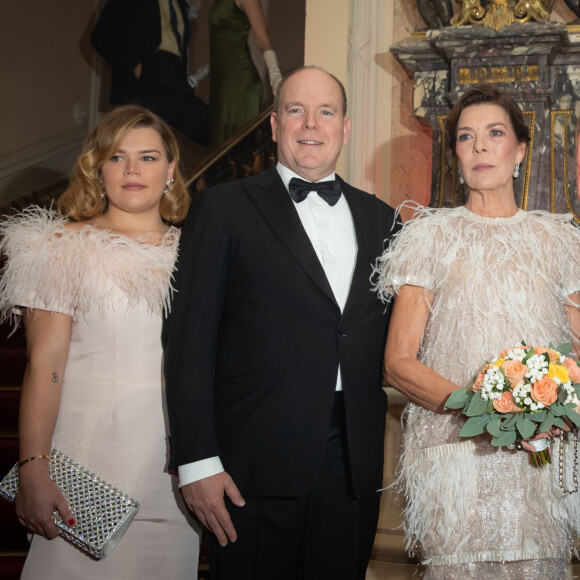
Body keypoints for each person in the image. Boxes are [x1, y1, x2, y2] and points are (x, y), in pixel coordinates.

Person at [163, 66, 399, 579]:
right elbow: (188, 343)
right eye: (296, 110)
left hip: (352, 465)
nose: (310, 124)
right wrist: (197, 462)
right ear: (274, 125)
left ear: (345, 127)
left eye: (326, 112)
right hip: (249, 467)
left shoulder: (385, 220)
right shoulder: (221, 208)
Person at [374, 84, 580, 579]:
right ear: (457, 155)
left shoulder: (560, 239)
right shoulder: (428, 235)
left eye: (495, 133)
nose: (481, 146)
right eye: (466, 137)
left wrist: (559, 408)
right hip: (454, 448)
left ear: (521, 149)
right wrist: (482, 410)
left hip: (542, 455)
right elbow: (398, 362)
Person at [0, 105, 200, 578]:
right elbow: (44, 364)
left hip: (173, 479)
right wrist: (33, 467)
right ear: (97, 167)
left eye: (148, 157)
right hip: (81, 474)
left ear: (171, 170)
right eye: (117, 157)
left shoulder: (200, 254)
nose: (133, 169)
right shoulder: (59, 248)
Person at [91, 0, 209, 146]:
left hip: (176, 79)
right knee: (147, 145)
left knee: (204, 124)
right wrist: (136, 67)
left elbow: (179, 48)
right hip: (147, 75)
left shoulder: (179, 3)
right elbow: (101, 35)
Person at [208, 0, 282, 148]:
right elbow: (219, 43)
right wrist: (200, 75)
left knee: (238, 151)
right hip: (219, 81)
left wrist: (276, 78)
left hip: (239, 80)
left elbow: (263, 42)